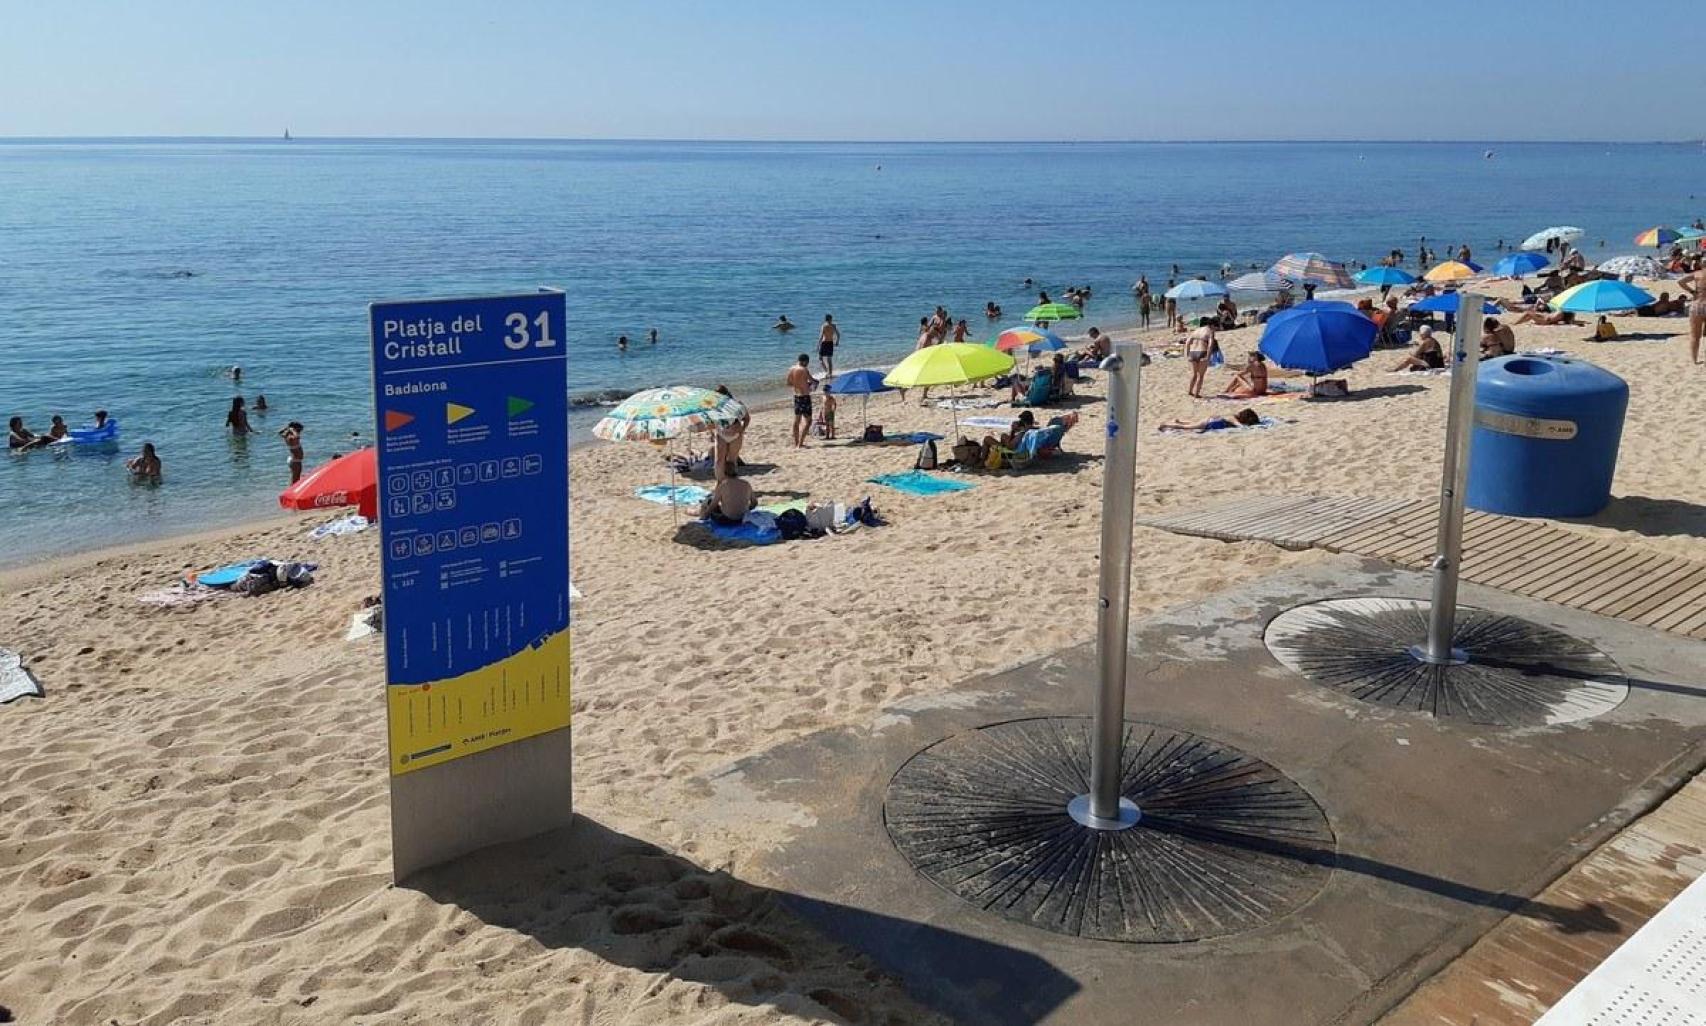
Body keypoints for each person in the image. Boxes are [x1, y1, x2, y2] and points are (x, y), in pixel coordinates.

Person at [712, 384, 748, 478]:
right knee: (720, 460)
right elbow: (712, 421)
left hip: (734, 434)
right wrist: (712, 432)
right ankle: (720, 482)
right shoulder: (715, 406)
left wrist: (742, 430)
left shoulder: (736, 404)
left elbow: (747, 418)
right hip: (723, 433)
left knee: (731, 460)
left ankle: (731, 481)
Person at [786, 354, 816, 448]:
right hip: (805, 396)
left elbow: (788, 383)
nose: (807, 364)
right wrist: (809, 384)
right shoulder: (804, 370)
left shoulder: (791, 369)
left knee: (796, 421)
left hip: (796, 396)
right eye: (807, 362)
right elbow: (812, 381)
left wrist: (799, 384)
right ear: (804, 361)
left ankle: (796, 443)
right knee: (809, 421)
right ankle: (800, 443)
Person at [1158, 408, 1262, 433]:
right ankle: (1166, 425)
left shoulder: (1233, 417)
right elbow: (1240, 426)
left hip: (1210, 420)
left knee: (1192, 423)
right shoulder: (1234, 419)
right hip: (1208, 423)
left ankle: (1179, 421)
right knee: (1187, 428)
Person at [1681, 264, 1706, 364]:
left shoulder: (1697, 274)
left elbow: (1681, 281)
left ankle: (1694, 360)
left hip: (1697, 306)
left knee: (1695, 336)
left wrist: (1692, 291)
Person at [1185, 321, 1217, 398]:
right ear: (1211, 325)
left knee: (1194, 374)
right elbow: (1210, 345)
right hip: (1202, 352)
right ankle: (1196, 394)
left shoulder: (1196, 330)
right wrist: (1208, 357)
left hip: (1193, 352)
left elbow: (1188, 342)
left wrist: (1188, 354)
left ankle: (1190, 391)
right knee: (1201, 375)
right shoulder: (1210, 331)